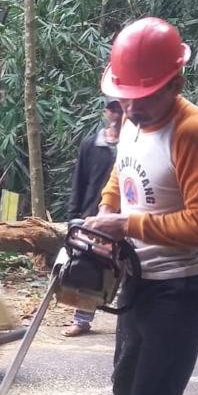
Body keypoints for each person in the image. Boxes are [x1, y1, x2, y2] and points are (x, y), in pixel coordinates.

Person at [86, 17, 198, 395]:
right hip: (140, 280)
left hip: (184, 288)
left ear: (176, 83)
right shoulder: (133, 120)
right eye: (124, 96)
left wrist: (127, 223)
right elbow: (121, 174)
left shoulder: (193, 133)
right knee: (126, 388)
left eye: (142, 96)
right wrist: (105, 217)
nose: (130, 107)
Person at [62, 97, 124, 337]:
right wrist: (74, 215)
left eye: (121, 109)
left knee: (129, 271)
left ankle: (129, 320)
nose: (117, 115)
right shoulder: (91, 144)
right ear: (107, 112)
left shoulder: (134, 143)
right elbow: (80, 180)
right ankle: (82, 319)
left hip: (128, 218)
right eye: (113, 109)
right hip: (94, 216)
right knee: (89, 269)